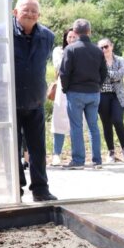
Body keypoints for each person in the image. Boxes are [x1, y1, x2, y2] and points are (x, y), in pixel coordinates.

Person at [0, 0, 57, 201]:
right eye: (25, 9)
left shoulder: (48, 36)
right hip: (6, 100)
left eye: (34, 10)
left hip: (34, 99)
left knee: (38, 147)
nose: (30, 13)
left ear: (39, 15)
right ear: (15, 12)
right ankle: (15, 189)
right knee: (10, 146)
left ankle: (41, 189)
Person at [59, 18, 107, 170]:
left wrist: (66, 89)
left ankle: (78, 161)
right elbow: (104, 72)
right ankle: (97, 160)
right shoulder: (97, 50)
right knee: (93, 126)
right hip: (94, 93)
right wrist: (97, 86)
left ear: (74, 32)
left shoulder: (70, 49)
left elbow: (64, 72)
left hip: (75, 92)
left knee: (76, 127)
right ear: (89, 31)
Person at [97, 38, 124, 163]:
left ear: (111, 46)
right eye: (101, 48)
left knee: (118, 120)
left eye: (106, 46)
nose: (104, 49)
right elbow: (97, 77)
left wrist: (106, 73)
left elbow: (121, 74)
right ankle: (111, 151)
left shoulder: (120, 60)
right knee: (106, 124)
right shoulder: (97, 61)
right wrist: (112, 75)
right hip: (102, 95)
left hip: (117, 96)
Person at [49, 28, 77, 166]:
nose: (72, 39)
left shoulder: (81, 50)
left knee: (76, 122)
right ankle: (56, 154)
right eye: (70, 37)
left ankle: (76, 154)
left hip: (78, 87)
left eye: (75, 37)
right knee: (59, 120)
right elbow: (60, 66)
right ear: (66, 38)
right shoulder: (59, 50)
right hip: (62, 88)